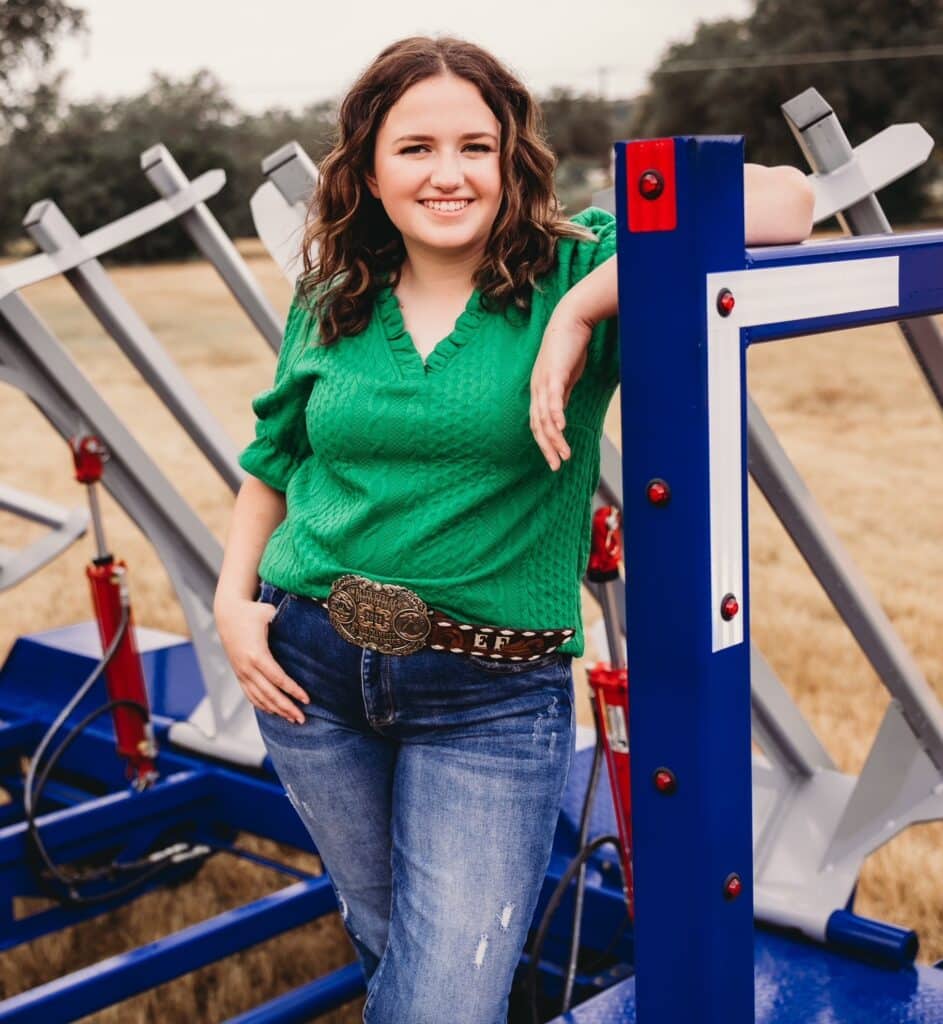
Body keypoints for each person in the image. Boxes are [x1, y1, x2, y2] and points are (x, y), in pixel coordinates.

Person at [214, 35, 814, 1024]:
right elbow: (275, 459)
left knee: (443, 1000)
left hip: (486, 699)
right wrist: (234, 605)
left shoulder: (577, 263)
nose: (447, 175)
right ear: (367, 166)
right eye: (414, 149)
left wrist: (582, 306)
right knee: (389, 948)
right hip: (309, 671)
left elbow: (789, 202)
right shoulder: (332, 294)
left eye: (474, 147)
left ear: (509, 159)